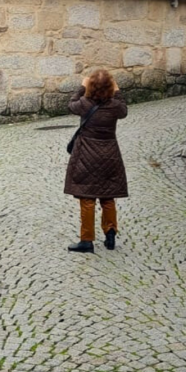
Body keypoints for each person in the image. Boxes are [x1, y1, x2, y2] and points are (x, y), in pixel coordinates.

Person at [65, 69, 128, 253]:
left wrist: (82, 86)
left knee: (87, 197)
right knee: (108, 195)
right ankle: (110, 232)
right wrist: (117, 90)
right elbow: (124, 110)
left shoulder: (84, 104)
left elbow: (71, 104)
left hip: (86, 154)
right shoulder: (115, 106)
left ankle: (86, 240)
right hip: (110, 154)